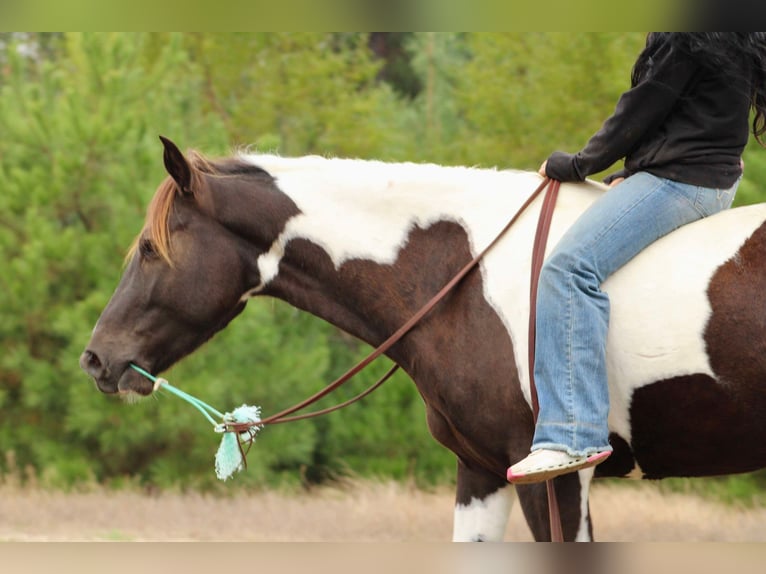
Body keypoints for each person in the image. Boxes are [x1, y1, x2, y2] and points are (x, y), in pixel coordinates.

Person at [507, 33, 766, 484]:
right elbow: (688, 115)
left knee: (569, 271)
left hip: (681, 181)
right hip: (707, 176)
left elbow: (643, 107)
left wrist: (578, 164)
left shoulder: (685, 33)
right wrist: (632, 171)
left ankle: (572, 434)